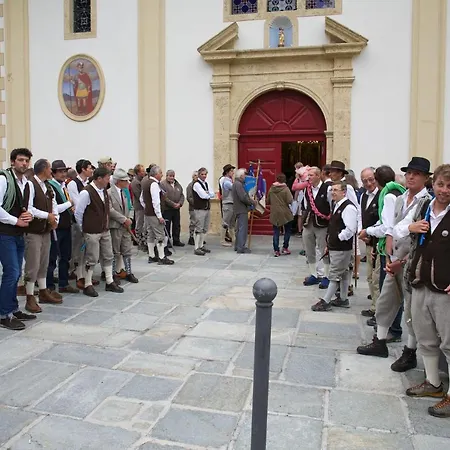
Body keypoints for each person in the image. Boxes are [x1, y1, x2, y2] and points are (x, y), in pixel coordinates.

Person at [357, 157, 431, 372]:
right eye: (409, 173)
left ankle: (410, 352)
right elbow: (392, 228)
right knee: (385, 301)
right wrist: (389, 257)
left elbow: (422, 240)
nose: (411, 177)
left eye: (417, 174)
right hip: (395, 259)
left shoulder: (427, 203)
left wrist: (403, 260)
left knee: (412, 310)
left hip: (413, 263)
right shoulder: (401, 199)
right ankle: (379, 341)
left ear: (425, 179)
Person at [402, 164, 450, 418]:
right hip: (420, 282)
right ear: (434, 184)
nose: (444, 190)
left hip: (445, 289)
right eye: (441, 184)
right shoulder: (424, 207)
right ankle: (433, 383)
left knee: (449, 343)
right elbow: (402, 231)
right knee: (426, 338)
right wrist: (410, 228)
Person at [0, 148, 35, 330]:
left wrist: (29, 215)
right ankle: (4, 314)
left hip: (18, 234)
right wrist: (16, 221)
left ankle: (13, 308)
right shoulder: (4, 179)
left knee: (16, 273)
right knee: (12, 272)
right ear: (13, 161)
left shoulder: (26, 183)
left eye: (26, 160)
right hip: (4, 233)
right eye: (20, 160)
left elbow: (27, 207)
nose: (24, 163)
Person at [74, 167, 124, 297]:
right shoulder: (86, 192)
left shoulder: (104, 191)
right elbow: (79, 213)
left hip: (104, 229)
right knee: (92, 258)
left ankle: (109, 281)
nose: (109, 181)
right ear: (99, 178)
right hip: (92, 231)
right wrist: (83, 228)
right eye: (107, 178)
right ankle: (88, 284)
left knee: (108, 255)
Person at [311, 181, 357, 311]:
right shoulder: (337, 205)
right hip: (336, 246)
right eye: (332, 190)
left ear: (344, 192)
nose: (333, 192)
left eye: (336, 190)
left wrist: (338, 238)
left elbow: (350, 229)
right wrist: (330, 242)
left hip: (341, 247)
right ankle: (343, 298)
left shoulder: (348, 207)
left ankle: (326, 301)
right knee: (343, 273)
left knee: (334, 274)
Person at [24, 159, 63, 313]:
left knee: (43, 263)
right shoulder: (31, 184)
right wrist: (48, 216)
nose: (51, 171)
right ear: (43, 169)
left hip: (45, 230)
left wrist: (55, 219)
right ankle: (29, 296)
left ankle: (43, 291)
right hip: (33, 231)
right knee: (32, 265)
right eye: (49, 168)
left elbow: (53, 204)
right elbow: (29, 208)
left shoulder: (47, 185)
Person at [47, 160, 79, 294]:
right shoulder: (50, 187)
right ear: (53, 173)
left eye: (64, 171)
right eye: (60, 171)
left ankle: (63, 283)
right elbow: (54, 208)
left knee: (66, 256)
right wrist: (69, 204)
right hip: (56, 227)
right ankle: (49, 286)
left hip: (66, 225)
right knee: (52, 258)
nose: (63, 174)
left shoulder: (63, 186)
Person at [302, 166, 332, 286]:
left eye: (311, 175)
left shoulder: (327, 188)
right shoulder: (307, 189)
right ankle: (314, 274)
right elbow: (305, 206)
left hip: (322, 223)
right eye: (308, 175)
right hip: (309, 222)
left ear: (318, 176)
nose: (308, 177)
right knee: (309, 249)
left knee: (323, 249)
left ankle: (326, 275)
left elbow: (331, 206)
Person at [108, 169, 138, 283]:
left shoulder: (125, 192)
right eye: (125, 181)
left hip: (126, 226)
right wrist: (123, 219)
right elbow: (110, 210)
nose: (127, 182)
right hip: (115, 225)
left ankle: (129, 272)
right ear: (118, 181)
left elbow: (131, 206)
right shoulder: (109, 193)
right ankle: (113, 273)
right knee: (115, 251)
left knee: (127, 250)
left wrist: (130, 218)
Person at [357, 167, 380, 317]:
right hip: (368, 240)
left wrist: (369, 231)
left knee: (377, 277)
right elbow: (360, 215)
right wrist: (361, 231)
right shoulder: (363, 196)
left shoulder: (382, 195)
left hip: (379, 241)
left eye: (371, 179)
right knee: (370, 275)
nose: (368, 183)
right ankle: (374, 305)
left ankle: (377, 310)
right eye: (364, 181)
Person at [141, 165, 174, 265]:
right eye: (160, 173)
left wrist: (147, 208)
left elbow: (141, 199)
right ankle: (162, 257)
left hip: (148, 214)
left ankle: (151, 256)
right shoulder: (154, 184)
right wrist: (159, 216)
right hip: (154, 214)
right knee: (160, 235)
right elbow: (156, 201)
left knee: (150, 234)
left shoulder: (146, 183)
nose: (162, 175)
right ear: (156, 174)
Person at [266, 173, 294, 256]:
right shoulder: (285, 189)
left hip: (275, 212)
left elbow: (268, 201)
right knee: (287, 230)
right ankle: (285, 248)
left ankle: (276, 250)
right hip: (285, 212)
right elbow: (290, 200)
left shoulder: (271, 189)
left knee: (276, 232)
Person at [232, 168, 257, 254]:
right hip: (241, 209)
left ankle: (237, 245)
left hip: (238, 208)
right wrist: (252, 202)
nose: (246, 176)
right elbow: (243, 197)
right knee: (242, 229)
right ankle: (241, 247)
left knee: (239, 228)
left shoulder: (237, 183)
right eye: (245, 175)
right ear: (241, 176)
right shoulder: (239, 184)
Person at [192, 167, 215, 255]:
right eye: (202, 174)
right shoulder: (196, 184)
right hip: (199, 209)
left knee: (205, 228)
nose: (204, 176)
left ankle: (201, 245)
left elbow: (212, 194)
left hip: (206, 208)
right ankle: (196, 247)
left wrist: (208, 193)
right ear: (198, 175)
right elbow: (203, 196)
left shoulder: (206, 183)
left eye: (205, 174)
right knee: (199, 228)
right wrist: (207, 193)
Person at [160, 170, 185, 247]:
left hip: (176, 209)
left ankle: (176, 240)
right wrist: (173, 204)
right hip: (167, 209)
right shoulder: (163, 184)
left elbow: (182, 195)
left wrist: (180, 203)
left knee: (176, 225)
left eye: (173, 176)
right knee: (167, 226)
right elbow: (164, 197)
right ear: (166, 176)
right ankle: (167, 242)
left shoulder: (177, 184)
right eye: (170, 176)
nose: (172, 177)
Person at [218, 164, 235, 247]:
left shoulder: (230, 181)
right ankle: (222, 240)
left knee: (232, 223)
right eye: (231, 171)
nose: (233, 172)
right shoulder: (227, 182)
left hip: (232, 203)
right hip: (228, 204)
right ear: (227, 172)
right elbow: (235, 189)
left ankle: (234, 239)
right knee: (225, 223)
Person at [131, 164, 147, 250]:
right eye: (142, 171)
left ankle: (144, 241)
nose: (144, 172)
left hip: (143, 206)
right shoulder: (135, 182)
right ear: (138, 172)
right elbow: (139, 195)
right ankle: (140, 242)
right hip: (139, 207)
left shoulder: (142, 180)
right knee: (139, 225)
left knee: (144, 225)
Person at [186, 171, 198, 246]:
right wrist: (196, 203)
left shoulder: (200, 185)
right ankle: (191, 237)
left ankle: (198, 238)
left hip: (200, 208)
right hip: (193, 208)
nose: (197, 177)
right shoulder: (190, 186)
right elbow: (189, 197)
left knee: (199, 223)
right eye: (195, 175)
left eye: (198, 175)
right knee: (193, 222)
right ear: (193, 177)